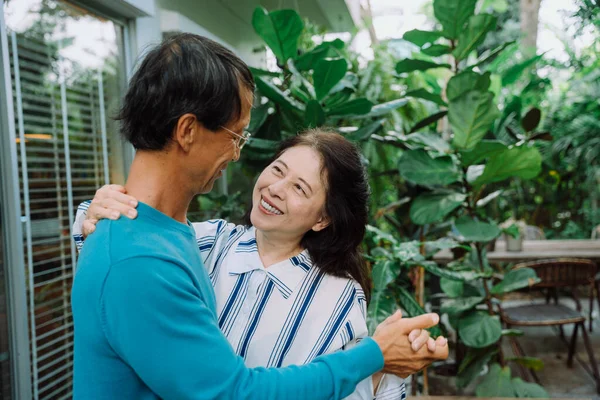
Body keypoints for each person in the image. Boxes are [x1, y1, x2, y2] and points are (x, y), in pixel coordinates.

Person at [70, 33, 448, 400]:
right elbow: (235, 392)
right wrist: (374, 354)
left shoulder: (174, 237)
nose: (236, 156)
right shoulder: (144, 259)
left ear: (324, 218)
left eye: (301, 188)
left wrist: (382, 361)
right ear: (187, 130)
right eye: (236, 137)